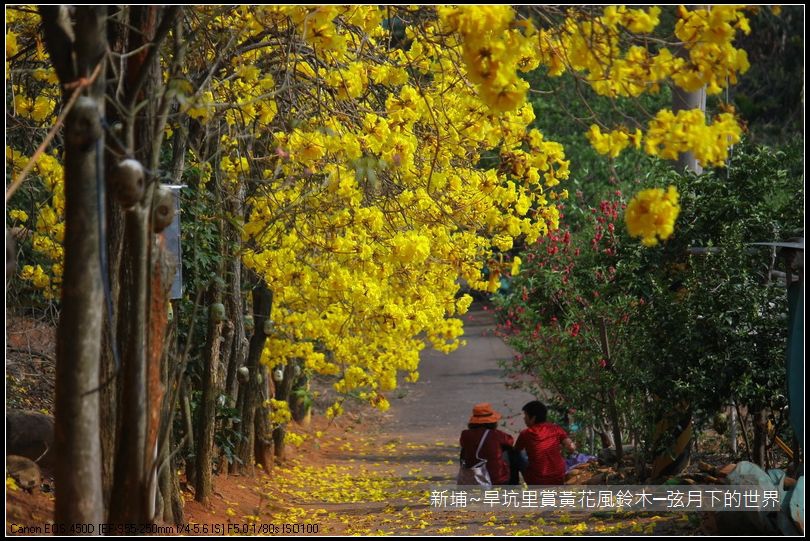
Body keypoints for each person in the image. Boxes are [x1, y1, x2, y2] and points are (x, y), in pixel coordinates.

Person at [515, 400, 576, 485]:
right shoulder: (555, 428)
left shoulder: (526, 434)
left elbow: (516, 450)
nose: (524, 418)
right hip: (559, 476)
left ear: (533, 418)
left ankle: (512, 483)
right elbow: (571, 447)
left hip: (538, 480)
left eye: (525, 415)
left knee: (516, 455)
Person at [459, 403, 519, 485]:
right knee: (510, 451)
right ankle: (513, 483)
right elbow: (510, 441)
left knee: (464, 450)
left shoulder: (465, 434)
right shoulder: (497, 434)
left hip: (472, 478)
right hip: (496, 480)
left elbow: (463, 444)